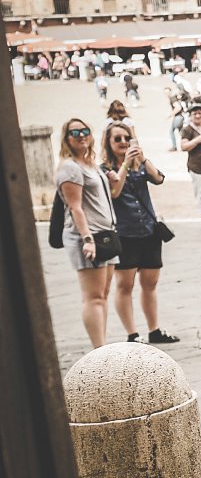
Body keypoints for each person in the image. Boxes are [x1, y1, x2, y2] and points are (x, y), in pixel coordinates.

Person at [102, 122, 179, 343]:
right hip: (125, 233)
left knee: (150, 282)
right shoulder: (105, 169)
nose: (123, 142)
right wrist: (125, 164)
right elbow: (114, 192)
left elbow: (159, 179)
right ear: (108, 142)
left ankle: (154, 330)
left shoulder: (140, 164)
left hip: (149, 231)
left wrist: (142, 158)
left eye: (127, 138)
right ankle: (132, 334)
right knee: (125, 285)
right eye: (117, 139)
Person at [56, 117, 119, 347]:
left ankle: (102, 347)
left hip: (106, 234)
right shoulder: (70, 167)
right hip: (89, 237)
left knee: (103, 294)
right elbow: (75, 207)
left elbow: (111, 195)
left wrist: (113, 176)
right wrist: (87, 239)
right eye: (75, 132)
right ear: (66, 139)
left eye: (85, 131)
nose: (81, 135)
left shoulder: (90, 164)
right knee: (93, 297)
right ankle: (98, 350)